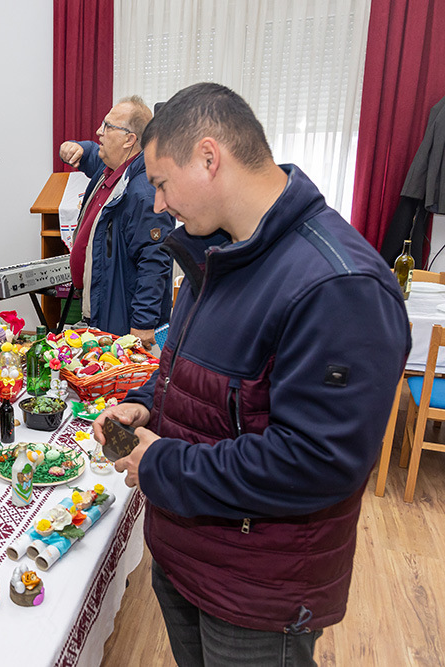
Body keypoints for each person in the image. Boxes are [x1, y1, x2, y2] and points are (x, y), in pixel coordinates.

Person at [94, 83, 410, 666]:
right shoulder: (219, 250)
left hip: (258, 588)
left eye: (161, 182)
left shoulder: (338, 286)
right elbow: (196, 373)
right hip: (192, 552)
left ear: (209, 158)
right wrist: (146, 403)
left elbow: (317, 462)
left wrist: (162, 462)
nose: (157, 204)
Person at [58, 96, 175, 348]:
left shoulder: (145, 191)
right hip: (102, 306)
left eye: (108, 126)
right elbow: (92, 156)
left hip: (123, 317)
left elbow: (154, 261)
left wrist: (143, 324)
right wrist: (78, 147)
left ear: (129, 139)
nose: (99, 131)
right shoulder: (112, 170)